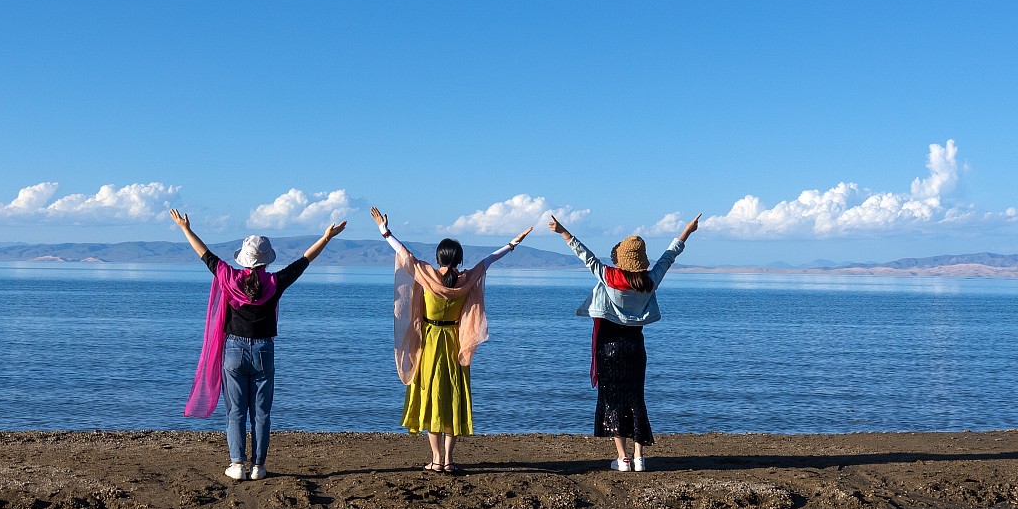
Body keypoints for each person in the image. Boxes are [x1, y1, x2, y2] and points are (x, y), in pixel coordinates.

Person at [174, 207, 346, 481]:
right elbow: (304, 261)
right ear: (266, 261)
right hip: (264, 350)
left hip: (234, 351)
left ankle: (237, 465)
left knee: (235, 411)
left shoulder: (228, 277)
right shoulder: (275, 282)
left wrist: (186, 229)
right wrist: (326, 237)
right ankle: (258, 467)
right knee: (262, 413)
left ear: (244, 259)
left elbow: (205, 254)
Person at [373, 206, 534, 473]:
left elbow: (404, 254)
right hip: (455, 344)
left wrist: (385, 231)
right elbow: (489, 260)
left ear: (439, 257)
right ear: (459, 258)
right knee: (452, 399)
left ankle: (436, 460)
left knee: (432, 398)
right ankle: (448, 460)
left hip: (429, 343)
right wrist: (512, 244)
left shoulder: (426, 275)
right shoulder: (466, 279)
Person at [545, 213, 700, 471]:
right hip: (635, 346)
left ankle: (623, 458)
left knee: (613, 400)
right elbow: (669, 255)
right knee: (636, 399)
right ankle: (639, 458)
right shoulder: (650, 281)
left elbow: (585, 255)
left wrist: (563, 231)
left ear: (620, 260)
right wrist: (687, 231)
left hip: (608, 346)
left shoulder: (608, 276)